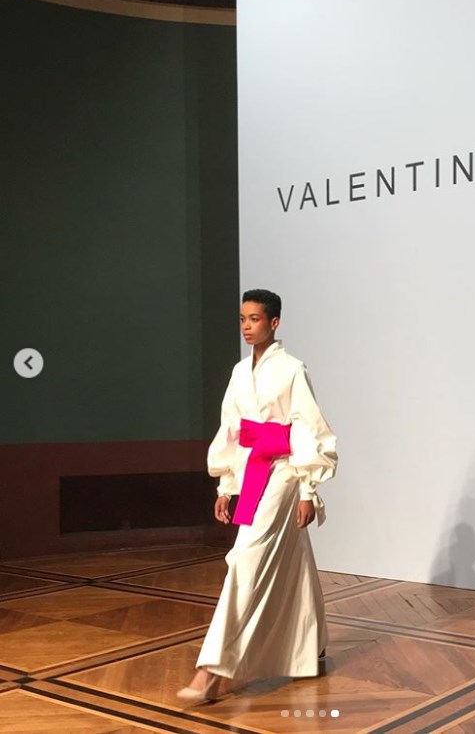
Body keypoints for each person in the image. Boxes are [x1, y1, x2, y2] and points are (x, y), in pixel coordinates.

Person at [177, 289, 337, 704]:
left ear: (274, 323)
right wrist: (226, 484)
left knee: (246, 558)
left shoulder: (292, 370)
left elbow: (308, 428)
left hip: (284, 470)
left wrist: (307, 489)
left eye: (255, 319)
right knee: (293, 556)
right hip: (251, 470)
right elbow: (231, 427)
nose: (247, 326)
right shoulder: (238, 372)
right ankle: (313, 644)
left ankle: (211, 670)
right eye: (242, 319)